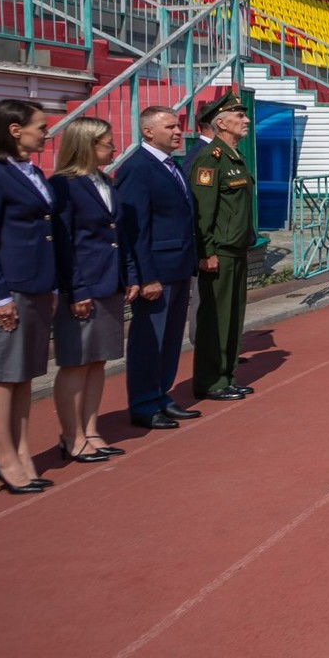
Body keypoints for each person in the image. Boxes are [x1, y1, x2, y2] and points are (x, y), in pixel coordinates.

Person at [0, 99, 60, 494]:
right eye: (41, 127)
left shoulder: (32, 171)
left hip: (38, 284)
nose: (46, 134)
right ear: (14, 129)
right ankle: (4, 459)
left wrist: (52, 284)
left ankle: (22, 452)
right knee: (3, 377)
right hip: (10, 288)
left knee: (23, 376)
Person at [50, 117, 137, 463]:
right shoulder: (63, 185)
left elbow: (119, 235)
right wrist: (76, 289)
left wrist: (129, 275)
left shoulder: (106, 181)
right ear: (86, 145)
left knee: (98, 361)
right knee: (76, 362)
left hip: (110, 283)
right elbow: (63, 242)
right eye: (106, 142)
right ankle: (71, 435)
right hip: (83, 286)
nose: (114, 148)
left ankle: (91, 429)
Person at [118, 105, 202, 430]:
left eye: (178, 125)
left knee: (170, 338)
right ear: (148, 131)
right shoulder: (137, 168)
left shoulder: (171, 165)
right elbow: (135, 228)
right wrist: (146, 276)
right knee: (149, 339)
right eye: (170, 127)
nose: (178, 131)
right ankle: (143, 403)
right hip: (157, 271)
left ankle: (161, 394)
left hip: (178, 266)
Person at [188, 93, 256, 401]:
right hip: (220, 251)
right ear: (221, 122)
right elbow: (204, 212)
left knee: (233, 315)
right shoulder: (210, 158)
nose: (246, 120)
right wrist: (207, 252)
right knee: (216, 317)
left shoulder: (233, 156)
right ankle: (210, 380)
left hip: (237, 248)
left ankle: (226, 375)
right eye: (239, 116)